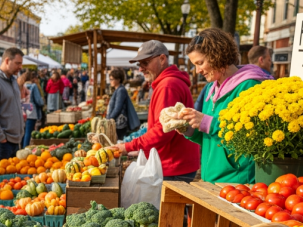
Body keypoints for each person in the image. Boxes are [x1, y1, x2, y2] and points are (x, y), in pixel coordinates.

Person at [177, 29, 273, 184]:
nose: (198, 70)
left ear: (217, 56)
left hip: (238, 183)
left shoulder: (250, 86)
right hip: (211, 181)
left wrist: (209, 123)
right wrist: (190, 130)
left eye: (200, 63)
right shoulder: (210, 89)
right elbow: (213, 139)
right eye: (195, 65)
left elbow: (252, 138)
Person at [110, 41, 200, 182]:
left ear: (162, 59)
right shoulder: (168, 83)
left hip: (173, 164)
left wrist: (128, 146)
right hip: (175, 162)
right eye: (139, 64)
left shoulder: (167, 85)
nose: (141, 69)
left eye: (145, 63)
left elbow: (162, 131)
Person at [106, 68, 140, 140]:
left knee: (119, 141)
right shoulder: (118, 89)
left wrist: (109, 119)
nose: (110, 81)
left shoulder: (120, 90)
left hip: (119, 123)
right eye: (110, 79)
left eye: (112, 79)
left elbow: (118, 108)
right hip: (118, 122)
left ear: (118, 80)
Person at [21, 71, 44, 147]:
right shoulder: (34, 86)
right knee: (28, 132)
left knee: (23, 132)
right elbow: (38, 101)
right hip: (31, 111)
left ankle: (21, 148)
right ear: (33, 78)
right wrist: (43, 103)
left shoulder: (22, 85)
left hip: (22, 111)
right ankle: (25, 148)